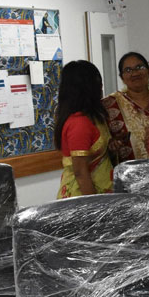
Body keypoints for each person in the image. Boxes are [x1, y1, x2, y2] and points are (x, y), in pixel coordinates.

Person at [55, 60, 113, 199]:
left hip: (103, 189)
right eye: (98, 83)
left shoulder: (94, 116)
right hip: (84, 196)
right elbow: (81, 173)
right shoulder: (79, 123)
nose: (101, 88)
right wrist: (95, 206)